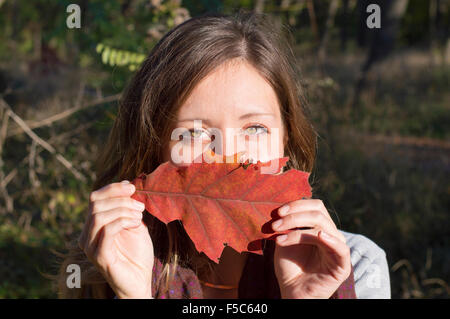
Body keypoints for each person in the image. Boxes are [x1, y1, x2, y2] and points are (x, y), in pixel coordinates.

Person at [56, 10, 390, 299]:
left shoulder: (355, 266)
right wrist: (134, 292)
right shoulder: (108, 260)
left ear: (285, 138)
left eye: (255, 129)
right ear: (155, 146)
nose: (228, 154)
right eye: (193, 133)